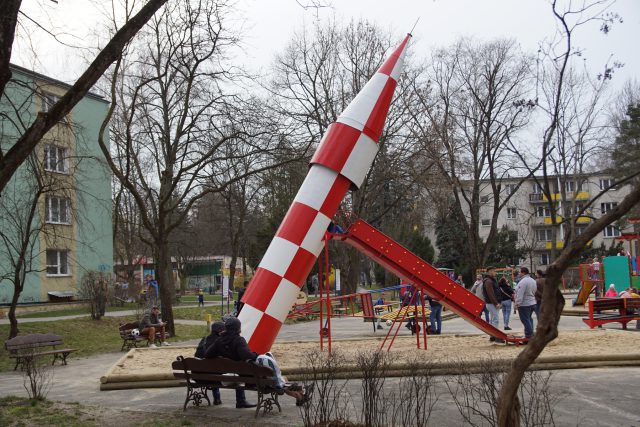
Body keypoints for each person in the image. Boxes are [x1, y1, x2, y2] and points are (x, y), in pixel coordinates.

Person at [196, 321, 225, 405]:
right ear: (220, 331)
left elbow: (197, 354)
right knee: (216, 370)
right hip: (214, 377)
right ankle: (217, 399)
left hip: (198, 376)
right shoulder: (220, 342)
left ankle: (217, 399)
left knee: (213, 369)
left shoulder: (204, 340)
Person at [515, 267, 537, 341]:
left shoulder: (523, 281)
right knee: (529, 319)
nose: (519, 274)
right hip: (532, 302)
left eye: (519, 272)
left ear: (523, 272)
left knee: (525, 320)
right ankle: (531, 334)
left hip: (524, 303)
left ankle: (529, 335)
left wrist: (517, 303)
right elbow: (534, 291)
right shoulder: (533, 280)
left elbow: (520, 293)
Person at [483, 267, 504, 342]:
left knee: (493, 320)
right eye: (494, 271)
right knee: (495, 320)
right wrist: (496, 303)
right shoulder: (488, 281)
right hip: (492, 303)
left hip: (492, 303)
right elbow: (490, 293)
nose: (495, 272)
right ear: (490, 271)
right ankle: (496, 336)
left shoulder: (491, 280)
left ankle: (492, 336)